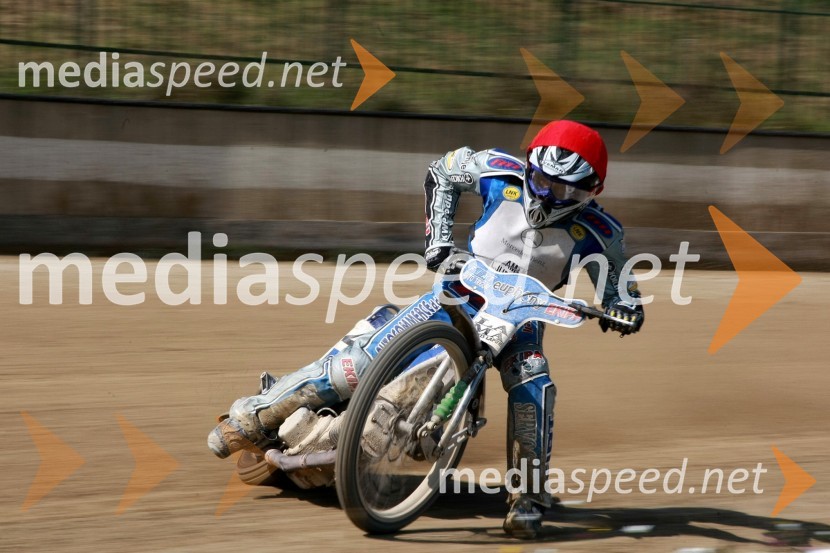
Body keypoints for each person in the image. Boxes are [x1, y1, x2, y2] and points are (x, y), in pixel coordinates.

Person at [208, 119, 644, 539]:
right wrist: (438, 240)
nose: (549, 196)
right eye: (543, 181)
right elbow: (442, 172)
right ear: (529, 165)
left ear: (593, 190)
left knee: (534, 387)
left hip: (522, 321)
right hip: (456, 295)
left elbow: (622, 290)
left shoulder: (602, 232)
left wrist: (623, 310)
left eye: (565, 189)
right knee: (358, 361)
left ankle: (526, 497)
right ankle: (252, 416)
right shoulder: (496, 169)